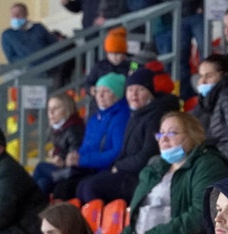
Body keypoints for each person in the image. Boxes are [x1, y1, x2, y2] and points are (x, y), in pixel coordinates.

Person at [108, 111, 228, 234]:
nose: (164, 138)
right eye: (161, 133)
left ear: (191, 136)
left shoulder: (207, 164)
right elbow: (137, 220)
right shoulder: (155, 168)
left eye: (172, 133)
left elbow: (200, 217)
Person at [76, 68, 181, 204]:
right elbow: (123, 152)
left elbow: (146, 155)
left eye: (140, 89)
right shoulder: (136, 114)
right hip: (127, 171)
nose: (134, 94)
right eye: (130, 90)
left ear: (150, 93)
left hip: (140, 175)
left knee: (91, 187)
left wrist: (119, 166)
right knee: (81, 186)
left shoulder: (155, 116)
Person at [51, 73, 130, 200]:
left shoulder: (121, 117)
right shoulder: (95, 118)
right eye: (98, 91)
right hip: (89, 167)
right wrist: (75, 156)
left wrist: (82, 160)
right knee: (60, 186)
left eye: (106, 91)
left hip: (106, 169)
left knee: (77, 188)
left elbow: (116, 152)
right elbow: (86, 146)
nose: (101, 95)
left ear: (117, 95)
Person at [32, 93, 85, 196]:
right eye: (49, 109)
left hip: (73, 172)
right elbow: (62, 149)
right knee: (43, 183)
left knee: (40, 167)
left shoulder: (74, 129)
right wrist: (57, 155)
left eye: (55, 108)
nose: (51, 112)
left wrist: (62, 160)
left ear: (67, 110)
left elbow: (75, 156)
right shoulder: (57, 128)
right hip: (64, 169)